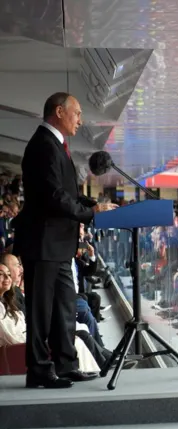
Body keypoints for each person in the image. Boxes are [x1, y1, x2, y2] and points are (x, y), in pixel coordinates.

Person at [12, 92, 116, 389]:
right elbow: (53, 197)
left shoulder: (56, 145)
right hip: (43, 243)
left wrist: (94, 204)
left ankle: (66, 364)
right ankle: (39, 370)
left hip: (58, 244)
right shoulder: (43, 146)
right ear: (59, 111)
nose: (80, 119)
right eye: (77, 113)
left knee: (64, 307)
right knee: (41, 310)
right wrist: (89, 213)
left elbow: (66, 193)